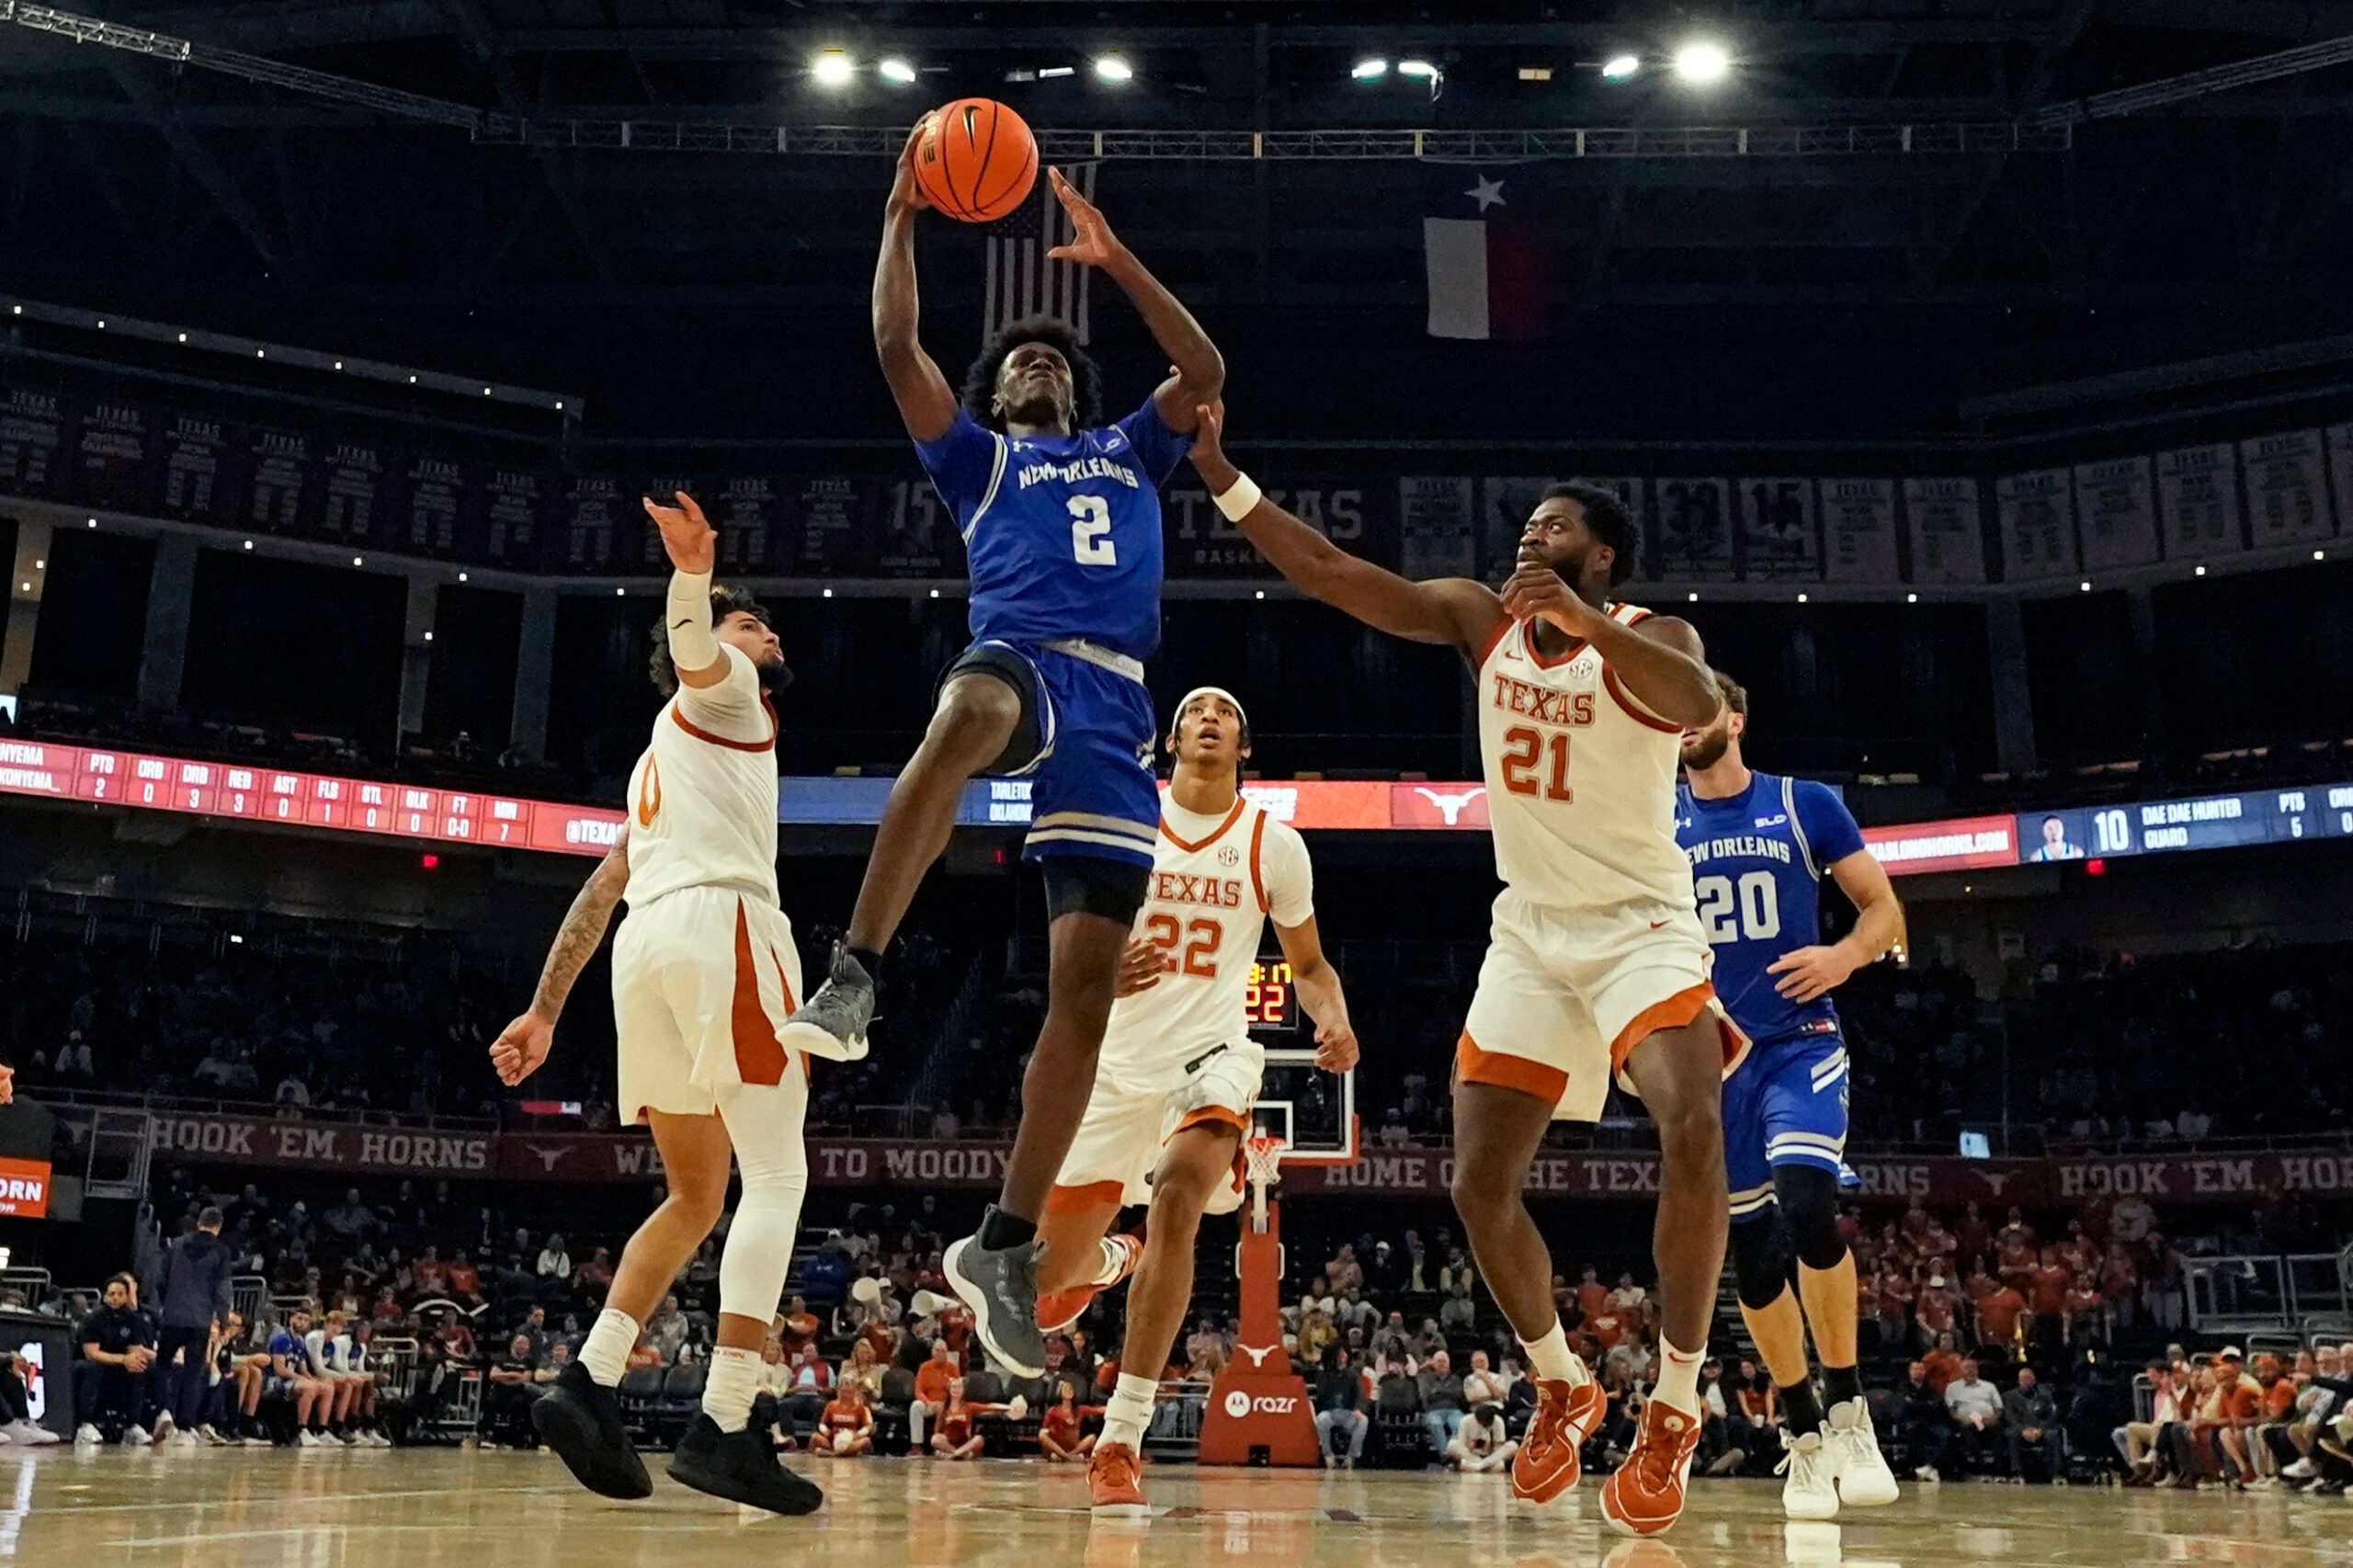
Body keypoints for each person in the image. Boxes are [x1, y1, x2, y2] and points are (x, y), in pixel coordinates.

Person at [1190, 408, 1735, 1539]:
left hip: (1639, 923)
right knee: (1477, 1180)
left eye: (1555, 531)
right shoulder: (1476, 620)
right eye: (1526, 529)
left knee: (1693, 1129)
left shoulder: (1649, 633)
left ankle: (1675, 1402)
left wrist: (1586, 621)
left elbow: (1693, 701)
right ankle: (1559, 1382)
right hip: (1532, 930)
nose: (1529, 541)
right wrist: (1223, 477)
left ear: (1601, 557)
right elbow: (1338, 574)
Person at [782, 121, 1224, 1382]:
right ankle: (856, 970)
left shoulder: (1134, 443)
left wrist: (1119, 257)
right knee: (968, 711)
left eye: (1048, 356)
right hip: (1021, 659)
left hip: (1117, 714)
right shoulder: (976, 461)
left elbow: (1204, 363)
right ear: (999, 397)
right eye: (1016, 358)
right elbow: (893, 346)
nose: (1033, 360)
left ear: (1073, 388)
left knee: (1084, 990)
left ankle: (1006, 1242)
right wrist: (899, 219)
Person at [489, 491, 820, 1517]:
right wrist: (689, 576)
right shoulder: (727, 699)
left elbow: (599, 890)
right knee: (776, 1173)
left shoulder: (654, 760)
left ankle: (587, 1379)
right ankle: (725, 1419)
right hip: (725, 928)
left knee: (693, 1195)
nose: (764, 629)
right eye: (747, 618)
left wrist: (546, 1010)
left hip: (645, 953)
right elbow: (691, 642)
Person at [1027, 686, 1355, 1517]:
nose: (1210, 717)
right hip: (1113, 1065)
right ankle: (1111, 1260)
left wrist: (1335, 1019)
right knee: (1046, 1289)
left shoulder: (1273, 845)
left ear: (1244, 745)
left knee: (1180, 1194)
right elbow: (1065, 948)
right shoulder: (1129, 821)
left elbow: (1308, 967)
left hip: (1211, 1058)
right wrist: (1101, 970)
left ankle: (1120, 1443)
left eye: (1227, 713)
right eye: (1194, 711)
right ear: (1170, 740)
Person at [1676, 672, 1904, 1519]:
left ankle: (1849, 1409)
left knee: (1809, 1203)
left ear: (1734, 717)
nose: (1682, 721)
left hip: (1798, 1042)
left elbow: (1882, 908)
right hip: (1707, 1063)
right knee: (1754, 1252)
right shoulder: (1651, 817)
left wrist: (1842, 958)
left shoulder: (1802, 802)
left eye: (1697, 705)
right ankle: (1801, 1427)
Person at [74, 1275, 163, 1446]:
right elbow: (91, 1353)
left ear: (127, 1296)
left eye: (120, 1294)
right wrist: (124, 1359)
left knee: (140, 1367)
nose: (115, 1298)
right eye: (112, 1293)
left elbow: (135, 1348)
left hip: (117, 1365)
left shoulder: (133, 1318)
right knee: (94, 1368)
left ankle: (132, 1426)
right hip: (88, 1365)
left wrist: (134, 1360)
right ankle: (85, 1425)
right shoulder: (94, 1319)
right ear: (105, 1295)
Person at [1943, 1358, 2004, 1476]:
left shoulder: (1989, 1386)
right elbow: (1951, 1411)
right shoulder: (1952, 1388)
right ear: (1961, 1370)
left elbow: (1999, 1408)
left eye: (1974, 1368)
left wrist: (1991, 1418)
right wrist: (1962, 1418)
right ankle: (1980, 1466)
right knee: (1966, 1429)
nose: (1971, 1370)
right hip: (1966, 1421)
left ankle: (1999, 1468)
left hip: (1988, 1421)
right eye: (1967, 1367)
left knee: (1998, 1429)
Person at [1314, 1347, 1370, 1469]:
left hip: (1347, 1412)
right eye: (1339, 1354)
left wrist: (1358, 1409)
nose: (1342, 1356)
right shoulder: (1324, 1375)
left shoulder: (1353, 1375)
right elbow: (1321, 1395)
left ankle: (1351, 1457)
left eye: (1344, 1353)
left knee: (1363, 1420)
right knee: (1321, 1419)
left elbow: (1360, 1395)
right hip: (1329, 1412)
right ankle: (1328, 1455)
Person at [2003, 1367, 2061, 1481]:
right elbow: (2010, 1417)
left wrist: (2039, 1430)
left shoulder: (2044, 1397)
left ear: (2034, 1381)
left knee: (2053, 1434)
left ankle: (2055, 1473)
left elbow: (2051, 1416)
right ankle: (2016, 1472)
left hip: (2038, 1430)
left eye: (2028, 1379)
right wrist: (2023, 1430)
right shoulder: (2009, 1396)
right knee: (2011, 1434)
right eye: (2022, 1379)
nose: (2025, 1382)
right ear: (2018, 1380)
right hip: (2020, 1430)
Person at [1449, 1403, 1520, 1473]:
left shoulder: (1498, 1421)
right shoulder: (1466, 1421)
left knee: (1513, 1445)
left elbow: (1498, 1446)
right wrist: (1471, 1445)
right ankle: (1481, 1466)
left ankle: (1478, 1467)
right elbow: (1462, 1444)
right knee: (1452, 1444)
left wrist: (1489, 1447)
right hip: (1472, 1456)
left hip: (1491, 1456)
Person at [1040, 1381, 1097, 1463]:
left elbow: (1099, 1410)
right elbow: (1044, 1430)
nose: (1069, 1390)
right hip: (1059, 1447)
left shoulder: (1080, 1409)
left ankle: (1069, 1456)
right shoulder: (1053, 1411)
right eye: (1065, 1389)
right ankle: (1064, 1455)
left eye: (1070, 1389)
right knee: (1042, 1434)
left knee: (1092, 1437)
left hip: (1075, 1448)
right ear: (1060, 1393)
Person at [930, 1377, 985, 1460]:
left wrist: (1009, 1407)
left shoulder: (969, 1406)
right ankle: (960, 1454)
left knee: (979, 1439)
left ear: (963, 1390)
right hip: (949, 1441)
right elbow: (937, 1431)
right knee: (934, 1439)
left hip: (965, 1442)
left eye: (959, 1387)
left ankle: (955, 1454)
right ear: (949, 1389)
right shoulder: (942, 1407)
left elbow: (989, 1407)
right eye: (954, 1387)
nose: (956, 1390)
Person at [814, 1383, 874, 1458]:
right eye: (843, 1391)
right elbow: (822, 1423)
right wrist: (826, 1431)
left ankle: (836, 1454)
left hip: (851, 1438)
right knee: (815, 1437)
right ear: (839, 1392)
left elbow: (867, 1426)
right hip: (834, 1436)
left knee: (866, 1441)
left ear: (853, 1393)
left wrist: (859, 1434)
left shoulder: (860, 1407)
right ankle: (842, 1453)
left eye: (849, 1392)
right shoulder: (831, 1405)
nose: (846, 1394)